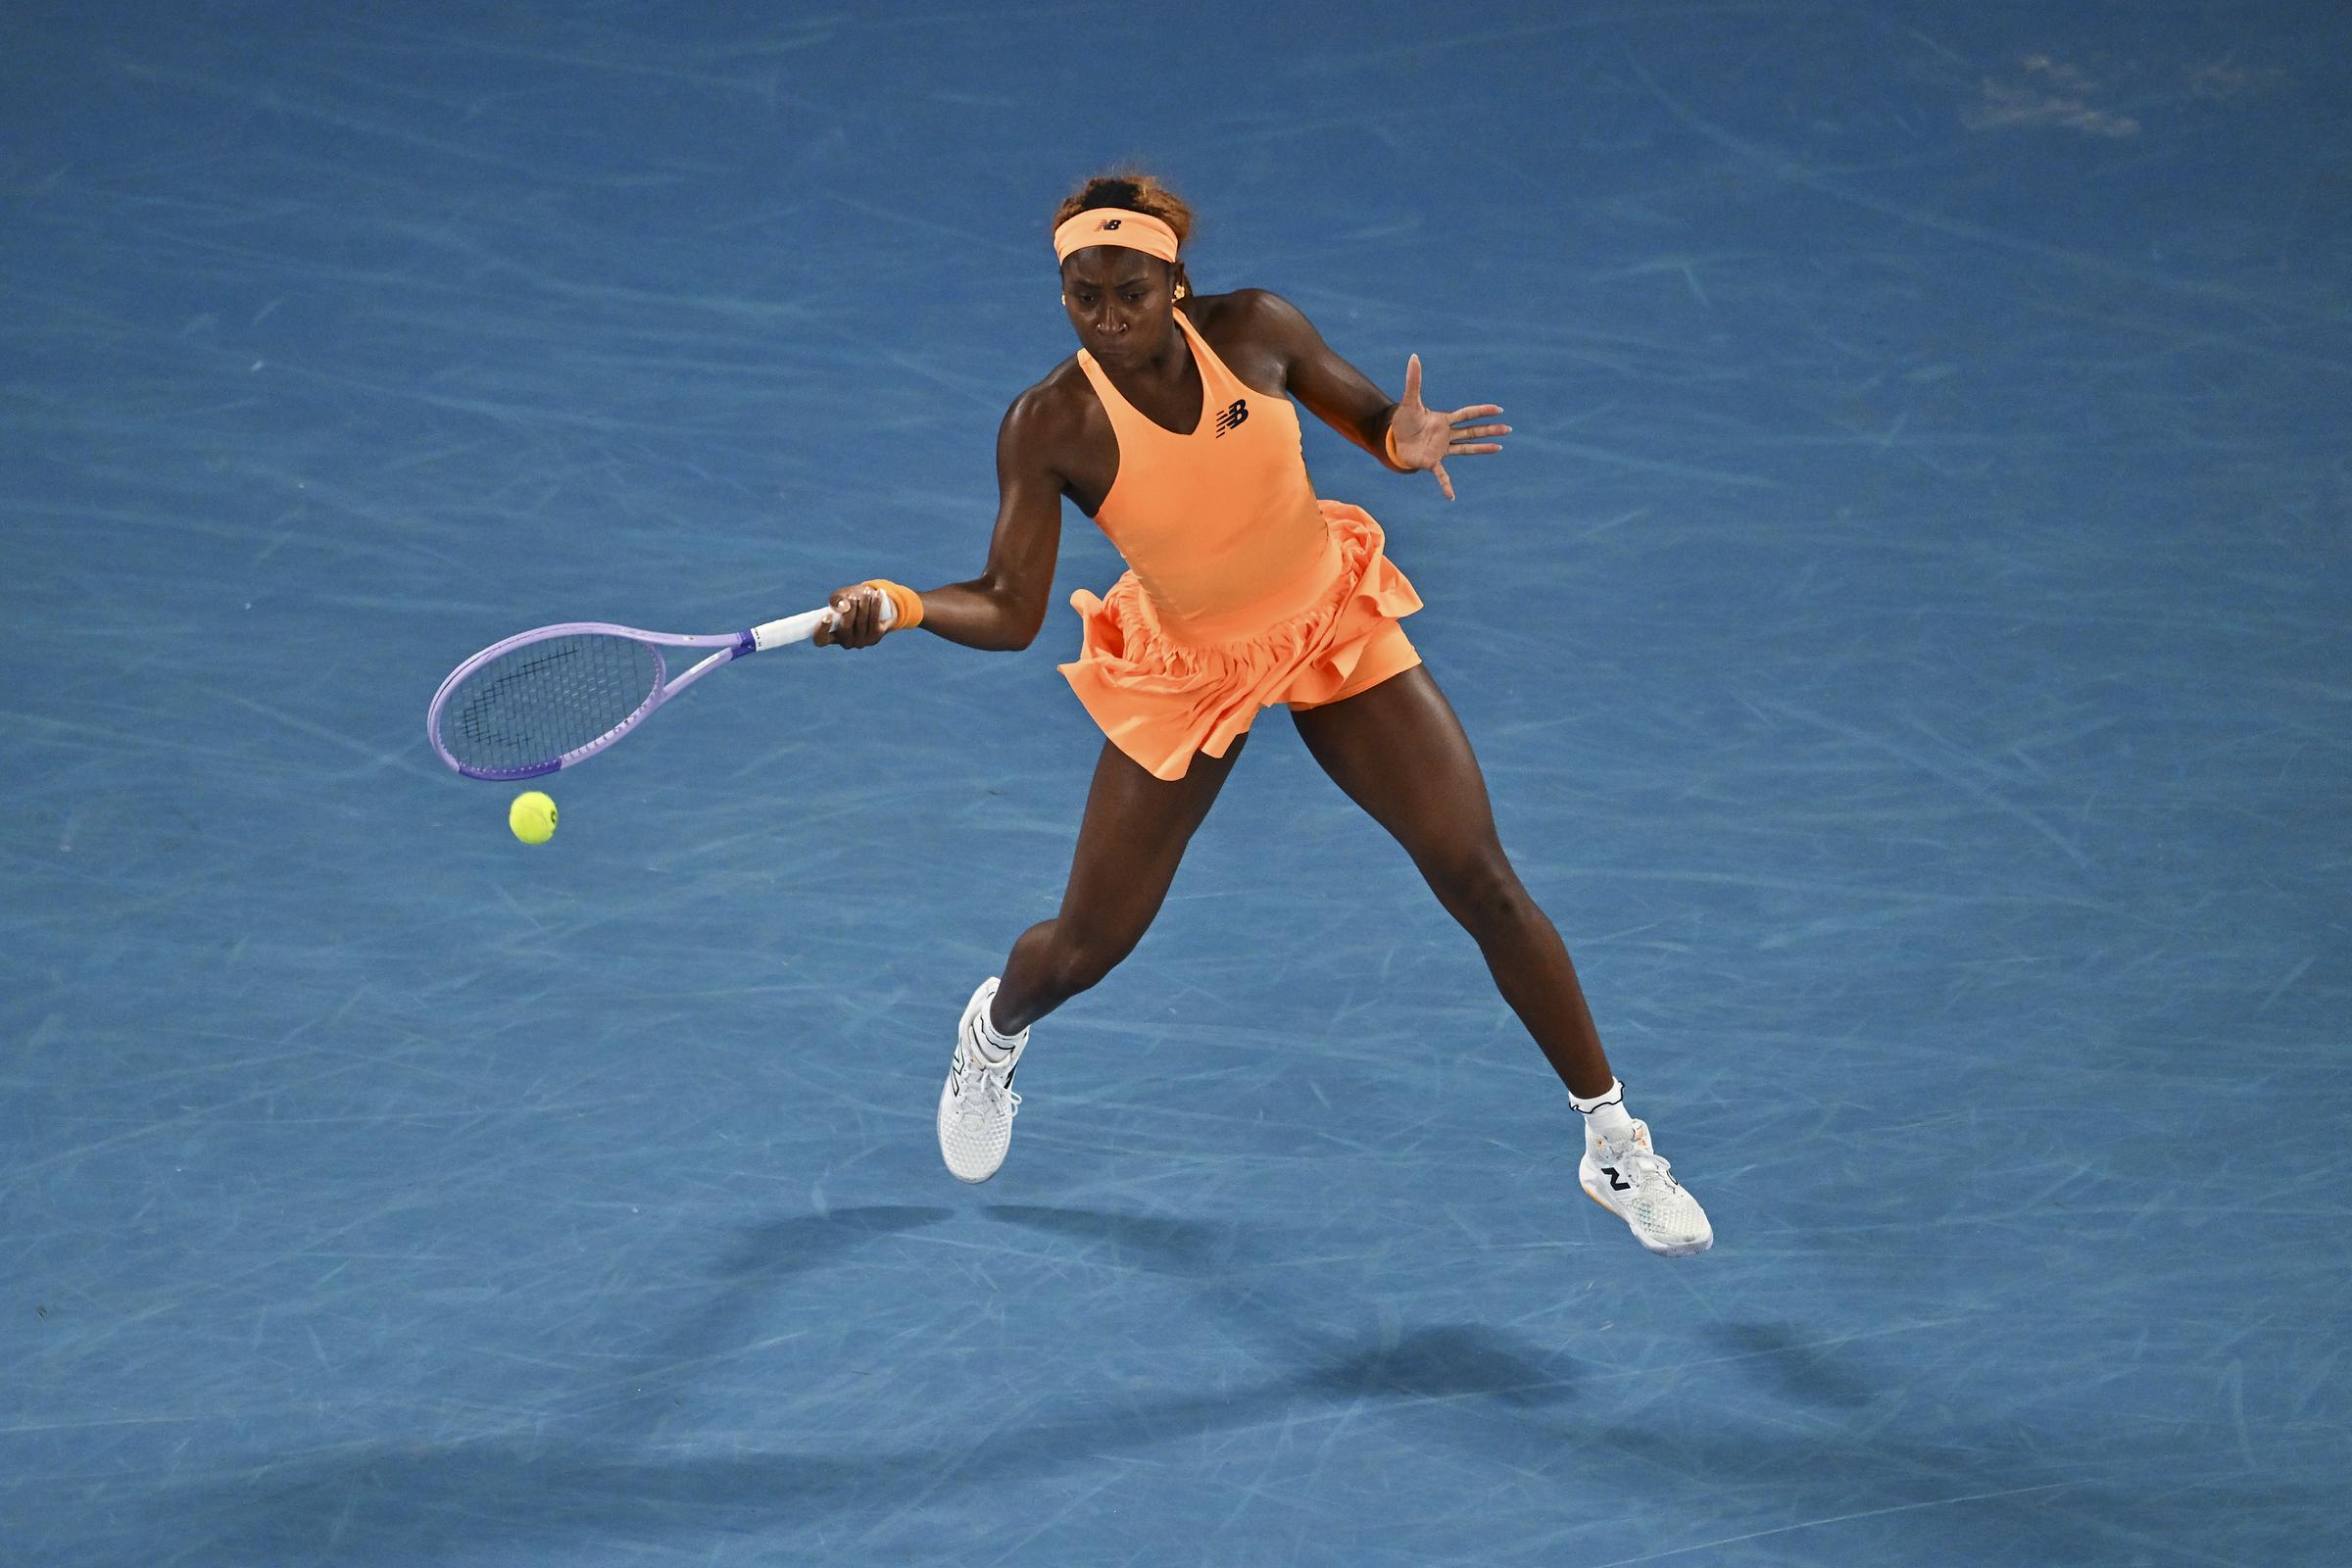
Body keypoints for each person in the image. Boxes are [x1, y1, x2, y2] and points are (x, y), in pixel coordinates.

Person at [819, 173, 1710, 1256]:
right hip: (1190, 664)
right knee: (1089, 946)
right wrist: (903, 606)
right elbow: (1011, 611)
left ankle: (1613, 1142)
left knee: (1479, 875)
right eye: (1082, 295)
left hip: (1328, 618)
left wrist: (1402, 441)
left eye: (1129, 291)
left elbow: (1370, 415)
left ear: (1175, 282)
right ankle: (994, 1027)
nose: (1106, 316)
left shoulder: (1255, 332)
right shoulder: (1050, 424)